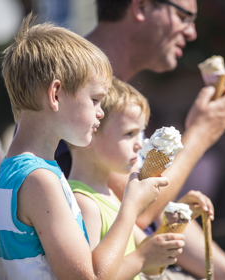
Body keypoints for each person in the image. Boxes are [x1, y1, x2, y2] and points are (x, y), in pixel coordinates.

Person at [57, 1, 225, 279]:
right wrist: (199, 134)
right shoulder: (75, 91)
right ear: (142, 6)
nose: (192, 32)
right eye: (184, 16)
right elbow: (140, 209)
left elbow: (153, 212)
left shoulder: (116, 98)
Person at [0, 13, 168, 280]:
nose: (100, 112)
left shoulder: (11, 171)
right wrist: (131, 209)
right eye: (96, 99)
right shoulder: (40, 180)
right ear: (55, 95)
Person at [69, 77, 216, 279]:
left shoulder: (108, 195)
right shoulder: (83, 203)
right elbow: (95, 276)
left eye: (141, 133)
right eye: (129, 133)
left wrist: (177, 217)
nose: (140, 144)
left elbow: (151, 266)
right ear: (89, 133)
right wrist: (142, 259)